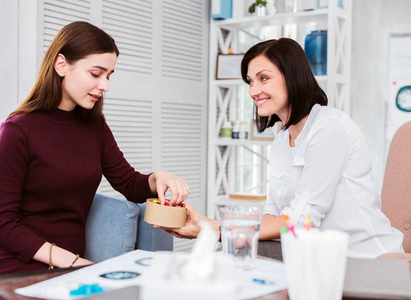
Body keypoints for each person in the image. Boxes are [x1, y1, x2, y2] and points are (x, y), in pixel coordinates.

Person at [162, 38, 404, 259]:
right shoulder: (280, 141)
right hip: (315, 253)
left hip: (364, 258)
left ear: (292, 75)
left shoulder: (329, 128)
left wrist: (213, 228)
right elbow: (273, 215)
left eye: (263, 78)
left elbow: (300, 221)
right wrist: (213, 228)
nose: (253, 91)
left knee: (229, 250)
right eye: (250, 82)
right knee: (230, 251)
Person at [0, 21, 190, 276]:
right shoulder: (17, 131)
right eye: (96, 74)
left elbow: (128, 183)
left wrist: (160, 177)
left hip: (70, 269)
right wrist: (71, 262)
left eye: (109, 75)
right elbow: (2, 225)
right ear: (61, 65)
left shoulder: (94, 125)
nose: (105, 85)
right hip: (17, 271)